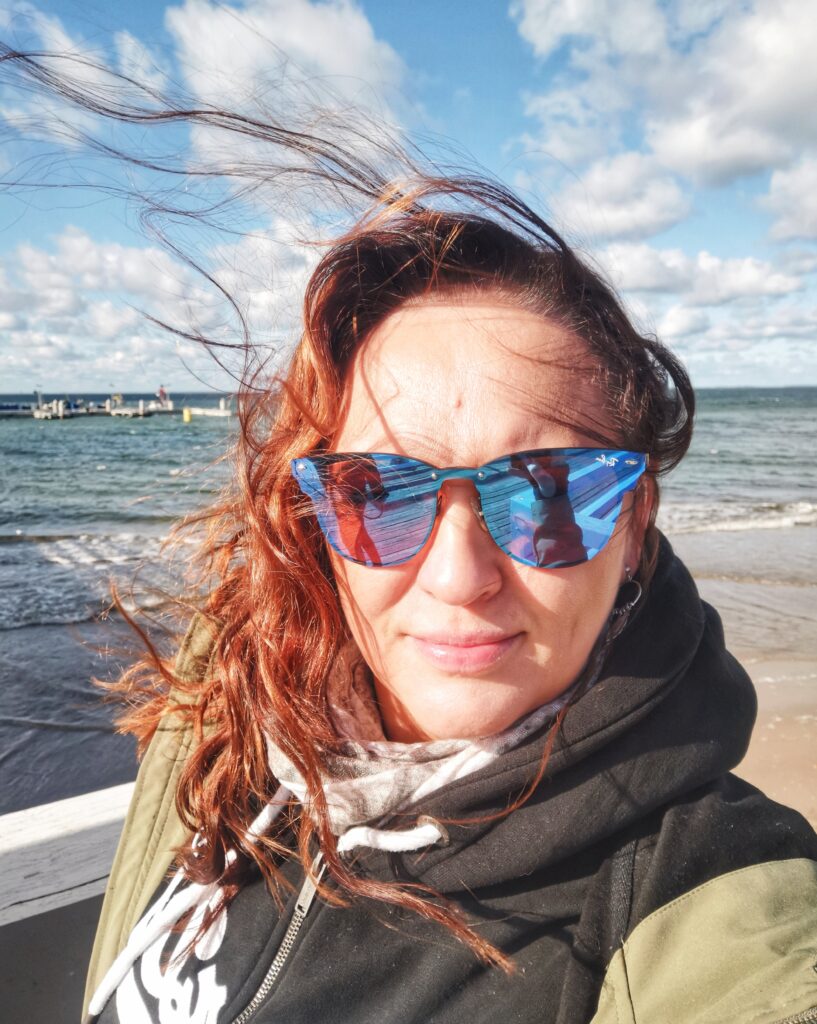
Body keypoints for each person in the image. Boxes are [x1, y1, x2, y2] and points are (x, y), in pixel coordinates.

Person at [77, 186, 817, 1024]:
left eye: (547, 493)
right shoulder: (227, 691)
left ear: (632, 521)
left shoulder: (694, 889)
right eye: (378, 492)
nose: (459, 578)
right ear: (316, 517)